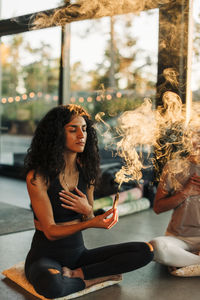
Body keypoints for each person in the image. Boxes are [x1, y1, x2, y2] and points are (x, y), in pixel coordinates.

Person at [24, 104, 154, 299]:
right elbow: (50, 231)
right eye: (72, 129)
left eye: (84, 129)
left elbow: (90, 215)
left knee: (146, 251)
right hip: (45, 257)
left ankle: (78, 275)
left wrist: (87, 211)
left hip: (79, 256)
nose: (81, 135)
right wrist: (90, 221)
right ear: (57, 134)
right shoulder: (38, 177)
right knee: (52, 286)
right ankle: (92, 280)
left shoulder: (87, 170)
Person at [150, 128, 200, 270]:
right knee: (156, 247)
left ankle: (186, 262)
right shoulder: (173, 167)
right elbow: (158, 208)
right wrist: (185, 192)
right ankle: (196, 261)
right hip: (180, 239)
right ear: (190, 138)